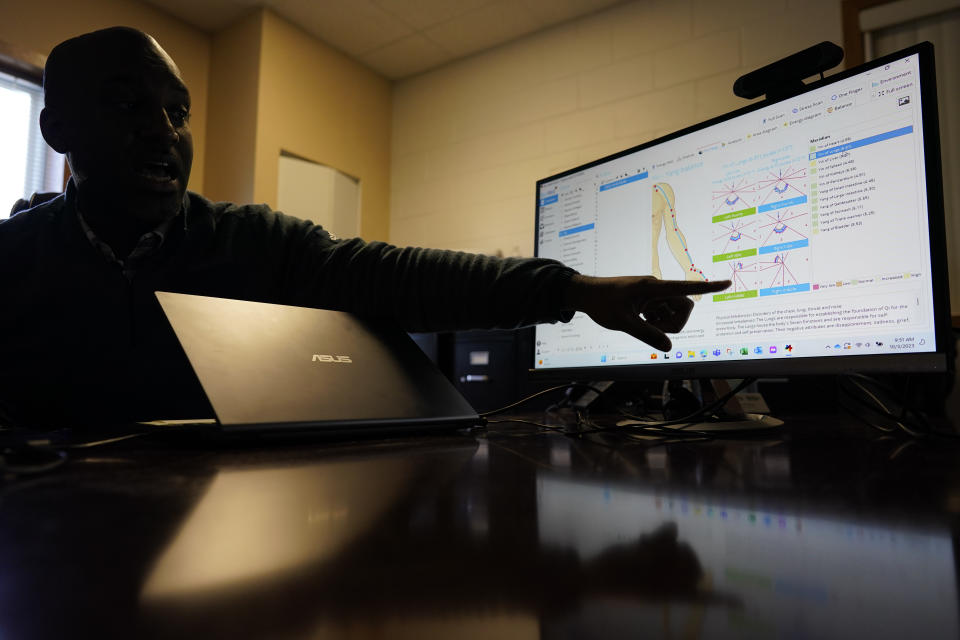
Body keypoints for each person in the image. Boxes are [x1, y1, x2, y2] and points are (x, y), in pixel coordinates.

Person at [0, 27, 729, 428]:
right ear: (58, 128)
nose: (165, 132)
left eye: (180, 110)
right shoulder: (14, 259)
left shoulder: (248, 241)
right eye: (129, 105)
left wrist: (573, 289)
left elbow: (390, 274)